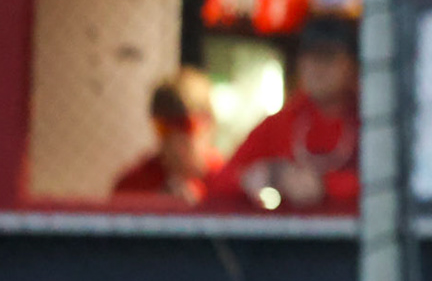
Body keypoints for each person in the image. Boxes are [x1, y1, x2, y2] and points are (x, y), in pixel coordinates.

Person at [210, 15, 360, 213]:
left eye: (329, 57)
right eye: (309, 57)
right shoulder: (283, 121)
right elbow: (218, 183)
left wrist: (326, 186)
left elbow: (394, 186)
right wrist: (256, 178)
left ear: (352, 66)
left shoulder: (372, 121)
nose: (317, 67)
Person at [112, 67, 224, 204]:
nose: (174, 139)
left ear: (209, 124)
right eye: (164, 128)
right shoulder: (134, 185)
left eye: (185, 125)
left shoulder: (227, 184)